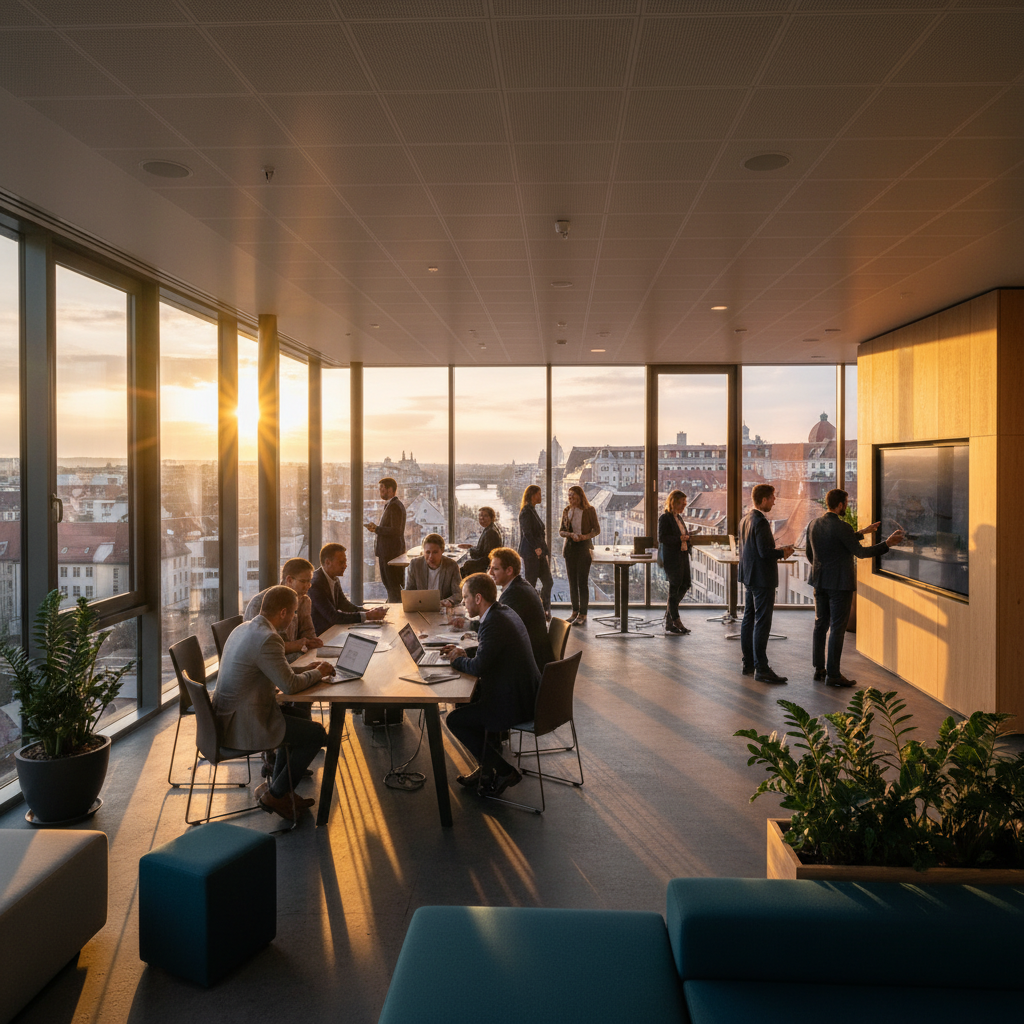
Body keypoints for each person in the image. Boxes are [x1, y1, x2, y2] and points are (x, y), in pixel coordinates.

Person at [213, 585, 333, 821]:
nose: (294, 617)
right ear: (283, 612)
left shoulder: (244, 628)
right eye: (294, 613)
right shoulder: (269, 639)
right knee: (316, 734)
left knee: (299, 718)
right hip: (244, 726)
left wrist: (307, 669)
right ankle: (277, 794)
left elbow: (277, 671)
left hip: (226, 718)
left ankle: (279, 791)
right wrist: (319, 673)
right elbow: (289, 686)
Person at [441, 573, 541, 797]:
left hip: (516, 704)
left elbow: (479, 667)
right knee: (467, 703)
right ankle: (486, 770)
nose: (463, 602)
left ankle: (504, 771)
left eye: (465, 598)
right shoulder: (501, 612)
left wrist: (457, 661)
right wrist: (464, 652)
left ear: (478, 598)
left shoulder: (494, 623)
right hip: (525, 694)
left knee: (455, 720)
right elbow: (490, 652)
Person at [807, 488, 903, 687]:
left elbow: (812, 553)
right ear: (840, 504)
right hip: (839, 585)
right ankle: (833, 674)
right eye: (846, 502)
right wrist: (887, 544)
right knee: (837, 628)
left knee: (820, 625)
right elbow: (860, 553)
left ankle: (819, 669)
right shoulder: (842, 526)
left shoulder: (813, 524)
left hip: (819, 581)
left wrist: (863, 532)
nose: (847, 506)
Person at [453, 547, 552, 672]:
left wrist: (457, 658)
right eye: (490, 568)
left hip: (526, 665)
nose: (490, 573)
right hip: (528, 660)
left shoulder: (514, 595)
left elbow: (495, 630)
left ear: (509, 570)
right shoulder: (519, 586)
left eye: (495, 569)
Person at [738, 484, 795, 684]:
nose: (774, 502)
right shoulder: (760, 521)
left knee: (748, 619)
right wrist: (783, 552)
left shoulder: (745, 519)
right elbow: (764, 552)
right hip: (762, 578)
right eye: (772, 498)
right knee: (762, 622)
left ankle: (748, 663)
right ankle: (762, 668)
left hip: (749, 576)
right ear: (763, 500)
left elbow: (753, 549)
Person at [243, 557, 323, 661]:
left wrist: (311, 642)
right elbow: (262, 647)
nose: (308, 586)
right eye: (303, 581)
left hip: (293, 654)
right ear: (289, 580)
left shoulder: (304, 600)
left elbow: (307, 630)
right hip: (268, 659)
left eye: (309, 581)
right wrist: (299, 645)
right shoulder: (260, 603)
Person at [308, 542, 388, 635]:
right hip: (321, 636)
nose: (345, 566)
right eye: (341, 562)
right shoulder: (315, 584)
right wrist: (367, 615)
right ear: (328, 562)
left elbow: (345, 605)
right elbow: (333, 616)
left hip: (332, 631)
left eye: (345, 562)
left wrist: (370, 612)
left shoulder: (334, 578)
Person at [559, 485, 600, 625]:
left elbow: (597, 530)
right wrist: (571, 535)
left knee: (582, 582)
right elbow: (561, 531)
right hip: (570, 549)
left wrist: (584, 537)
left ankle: (583, 614)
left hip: (584, 548)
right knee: (572, 583)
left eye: (573, 496)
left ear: (580, 496)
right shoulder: (567, 510)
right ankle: (574, 611)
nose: (570, 499)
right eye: (569, 496)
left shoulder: (589, 510)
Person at [365, 476, 406, 602]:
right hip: (389, 553)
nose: (380, 492)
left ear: (390, 489)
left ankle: (395, 608)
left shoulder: (394, 506)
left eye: (382, 489)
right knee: (391, 585)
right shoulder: (393, 505)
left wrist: (377, 529)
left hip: (390, 553)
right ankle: (393, 605)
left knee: (392, 585)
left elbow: (396, 530)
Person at [658, 490, 692, 635]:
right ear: (673, 502)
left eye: (685, 504)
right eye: (681, 504)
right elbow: (662, 538)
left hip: (682, 555)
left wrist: (686, 537)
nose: (684, 506)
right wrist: (680, 538)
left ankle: (669, 618)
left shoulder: (678, 517)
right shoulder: (665, 518)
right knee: (675, 588)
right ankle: (675, 620)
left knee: (685, 584)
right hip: (672, 558)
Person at [518, 484, 552, 618]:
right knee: (531, 583)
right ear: (532, 495)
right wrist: (536, 548)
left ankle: (542, 608)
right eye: (539, 494)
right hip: (532, 553)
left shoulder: (531, 510)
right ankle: (533, 611)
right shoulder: (526, 511)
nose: (541, 496)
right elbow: (527, 533)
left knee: (547, 582)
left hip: (538, 552)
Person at [404, 533, 463, 607]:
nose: (431, 557)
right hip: (421, 607)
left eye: (435, 552)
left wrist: (449, 601)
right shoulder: (415, 565)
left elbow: (458, 593)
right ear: (423, 551)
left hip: (443, 607)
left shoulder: (451, 565)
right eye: (428, 552)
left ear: (442, 550)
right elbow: (409, 592)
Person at [459, 506, 502, 578]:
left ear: (492, 518)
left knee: (462, 567)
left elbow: (487, 558)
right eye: (480, 516)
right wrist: (471, 547)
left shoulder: (491, 532)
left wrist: (470, 553)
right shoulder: (489, 529)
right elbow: (483, 550)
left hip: (486, 566)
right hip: (486, 563)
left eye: (485, 516)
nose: (482, 518)